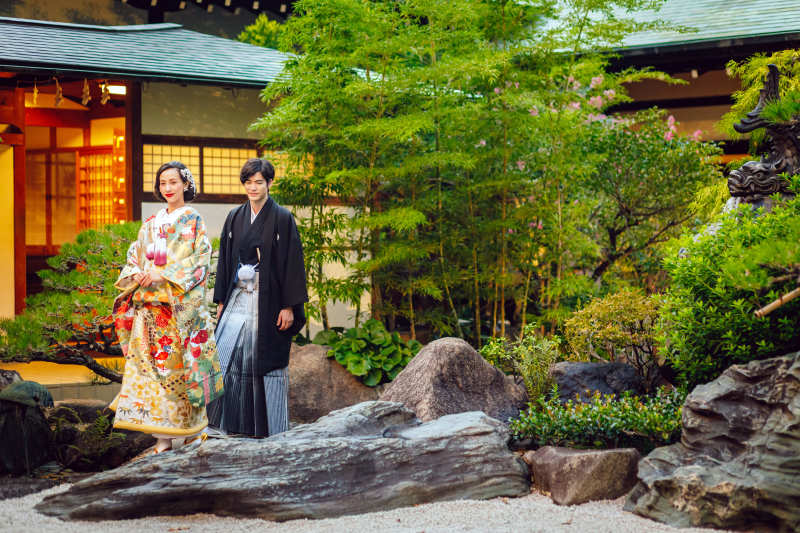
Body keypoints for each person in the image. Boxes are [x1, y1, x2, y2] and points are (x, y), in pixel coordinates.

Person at [110, 161, 223, 453]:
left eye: (173, 182)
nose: (168, 188)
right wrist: (135, 272)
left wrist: (164, 274)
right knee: (150, 372)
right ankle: (161, 436)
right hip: (149, 310)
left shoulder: (193, 220)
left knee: (179, 372)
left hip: (175, 311)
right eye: (163, 183)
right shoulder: (151, 221)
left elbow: (199, 260)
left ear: (186, 184)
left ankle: (190, 431)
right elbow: (134, 255)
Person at [207, 158, 307, 437]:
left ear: (270, 184)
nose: (253, 187)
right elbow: (225, 260)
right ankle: (229, 424)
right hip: (238, 296)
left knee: (265, 360)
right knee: (226, 355)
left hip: (269, 300)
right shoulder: (235, 217)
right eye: (248, 182)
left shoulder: (282, 218)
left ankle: (270, 429)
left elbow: (292, 263)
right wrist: (221, 301)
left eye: (259, 182)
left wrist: (289, 305)